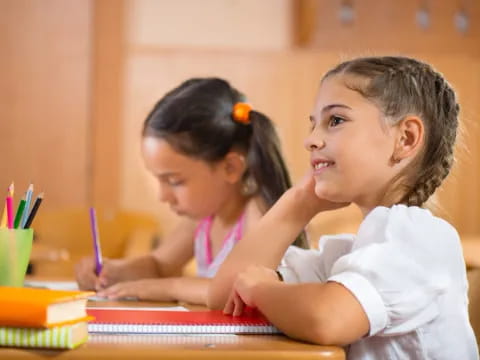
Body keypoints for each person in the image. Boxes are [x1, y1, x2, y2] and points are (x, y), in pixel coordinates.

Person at [209, 56, 479, 358]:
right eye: (313, 125)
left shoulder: (420, 239)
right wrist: (298, 203)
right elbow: (225, 296)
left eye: (335, 120)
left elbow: (327, 318)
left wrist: (261, 289)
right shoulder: (351, 254)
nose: (311, 140)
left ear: (405, 138)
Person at [75, 77, 307, 305]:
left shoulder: (259, 214)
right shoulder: (205, 219)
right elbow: (159, 265)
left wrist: (168, 287)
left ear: (230, 167)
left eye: (174, 181)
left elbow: (235, 290)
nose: (163, 196)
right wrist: (113, 271)